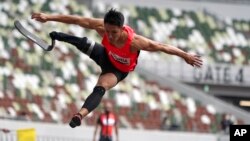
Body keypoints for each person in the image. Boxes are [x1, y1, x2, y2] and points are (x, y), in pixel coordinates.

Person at [31, 8, 203, 128]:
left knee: (101, 87)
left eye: (114, 32)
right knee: (83, 42)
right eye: (107, 32)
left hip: (117, 71)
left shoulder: (135, 42)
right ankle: (58, 36)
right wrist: (49, 17)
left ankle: (79, 115)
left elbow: (161, 46)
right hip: (105, 55)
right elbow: (77, 20)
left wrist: (185, 55)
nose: (110, 36)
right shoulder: (102, 27)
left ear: (122, 29)